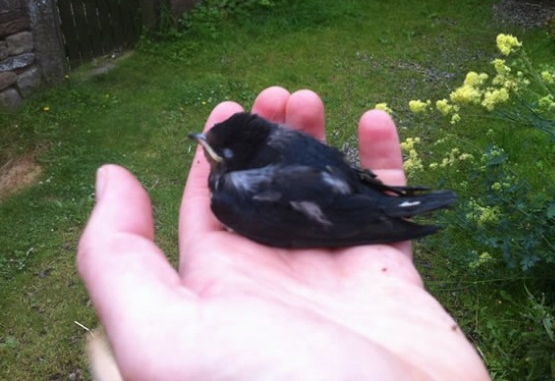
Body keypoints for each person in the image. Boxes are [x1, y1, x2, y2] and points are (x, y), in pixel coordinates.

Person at [77, 87, 491, 381]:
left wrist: (378, 212)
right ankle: (388, 204)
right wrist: (378, 202)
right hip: (342, 193)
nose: (204, 150)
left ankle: (388, 206)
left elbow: (305, 215)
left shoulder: (231, 196)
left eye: (212, 151)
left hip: (336, 207)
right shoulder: (279, 139)